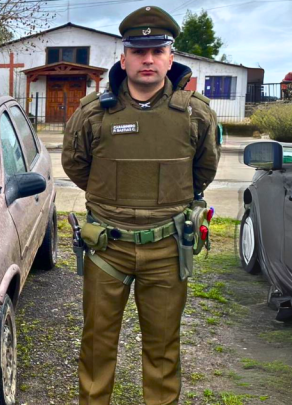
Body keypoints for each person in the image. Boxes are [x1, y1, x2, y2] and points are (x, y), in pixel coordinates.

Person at [62, 6, 221, 405]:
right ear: (124, 57)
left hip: (167, 250)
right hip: (106, 249)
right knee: (96, 347)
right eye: (137, 51)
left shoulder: (194, 113)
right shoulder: (93, 113)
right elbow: (75, 165)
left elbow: (204, 170)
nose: (147, 59)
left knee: (163, 349)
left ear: (170, 56)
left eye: (157, 50)